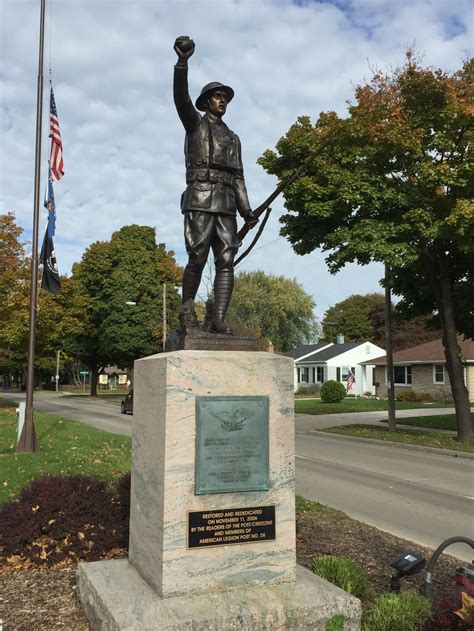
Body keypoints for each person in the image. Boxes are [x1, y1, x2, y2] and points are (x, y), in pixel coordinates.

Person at [173, 36, 258, 334]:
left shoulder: (234, 138)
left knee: (226, 261)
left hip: (226, 205)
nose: (223, 100)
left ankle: (218, 318)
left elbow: (238, 176)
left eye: (225, 97)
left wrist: (246, 210)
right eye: (218, 96)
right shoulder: (195, 124)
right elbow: (180, 98)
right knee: (197, 256)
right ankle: (187, 313)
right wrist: (182, 64)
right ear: (206, 101)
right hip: (199, 197)